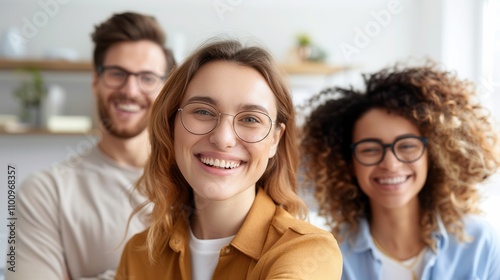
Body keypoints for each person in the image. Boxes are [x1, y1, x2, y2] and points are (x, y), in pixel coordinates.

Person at [115, 38, 343, 280]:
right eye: (203, 111)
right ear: (171, 126)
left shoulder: (307, 251)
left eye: (251, 119)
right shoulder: (139, 253)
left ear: (275, 140)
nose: (223, 138)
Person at [7, 12, 176, 280]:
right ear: (96, 81)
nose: (130, 90)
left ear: (166, 89)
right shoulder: (45, 192)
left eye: (147, 78)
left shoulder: (196, 179)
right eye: (117, 73)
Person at [300, 63, 500, 280]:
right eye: (370, 149)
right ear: (349, 164)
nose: (390, 164)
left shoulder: (479, 244)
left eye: (407, 146)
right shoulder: (330, 256)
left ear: (431, 154)